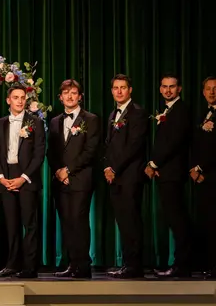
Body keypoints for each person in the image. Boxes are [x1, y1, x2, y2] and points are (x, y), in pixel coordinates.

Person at [0, 84, 46, 278]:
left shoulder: (35, 123)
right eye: (16, 97)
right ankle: (12, 265)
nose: (20, 101)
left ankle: (30, 268)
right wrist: (1, 178)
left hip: (27, 178)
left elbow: (39, 154)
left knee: (29, 225)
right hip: (6, 176)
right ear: (8, 100)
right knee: (11, 225)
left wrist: (23, 178)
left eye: (22, 97)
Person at [47, 79, 100, 279]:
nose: (70, 96)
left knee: (79, 221)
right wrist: (58, 172)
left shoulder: (91, 119)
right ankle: (72, 264)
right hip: (60, 181)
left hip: (80, 179)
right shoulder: (54, 121)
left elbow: (90, 151)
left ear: (80, 96)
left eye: (74, 93)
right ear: (60, 97)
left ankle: (83, 265)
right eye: (66, 93)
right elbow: (51, 151)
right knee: (67, 222)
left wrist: (68, 171)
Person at [144, 74, 192, 278]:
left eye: (172, 86)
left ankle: (182, 266)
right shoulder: (168, 110)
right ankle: (180, 264)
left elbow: (174, 142)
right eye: (164, 86)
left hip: (173, 172)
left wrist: (154, 163)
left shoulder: (180, 110)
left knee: (178, 219)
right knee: (174, 219)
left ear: (179, 89)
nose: (168, 90)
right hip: (166, 172)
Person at [103, 74, 149, 279]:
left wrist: (114, 168)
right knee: (122, 221)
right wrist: (107, 167)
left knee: (131, 221)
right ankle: (127, 264)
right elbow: (108, 144)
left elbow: (134, 146)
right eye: (116, 88)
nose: (119, 91)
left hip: (130, 175)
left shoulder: (138, 113)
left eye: (123, 87)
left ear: (130, 90)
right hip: (114, 177)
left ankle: (134, 266)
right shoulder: (113, 114)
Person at [190, 76, 216, 279]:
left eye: (215, 88)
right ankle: (208, 264)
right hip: (202, 177)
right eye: (208, 88)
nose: (212, 92)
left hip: (213, 175)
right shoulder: (203, 114)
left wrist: (200, 167)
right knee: (206, 221)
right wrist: (194, 169)